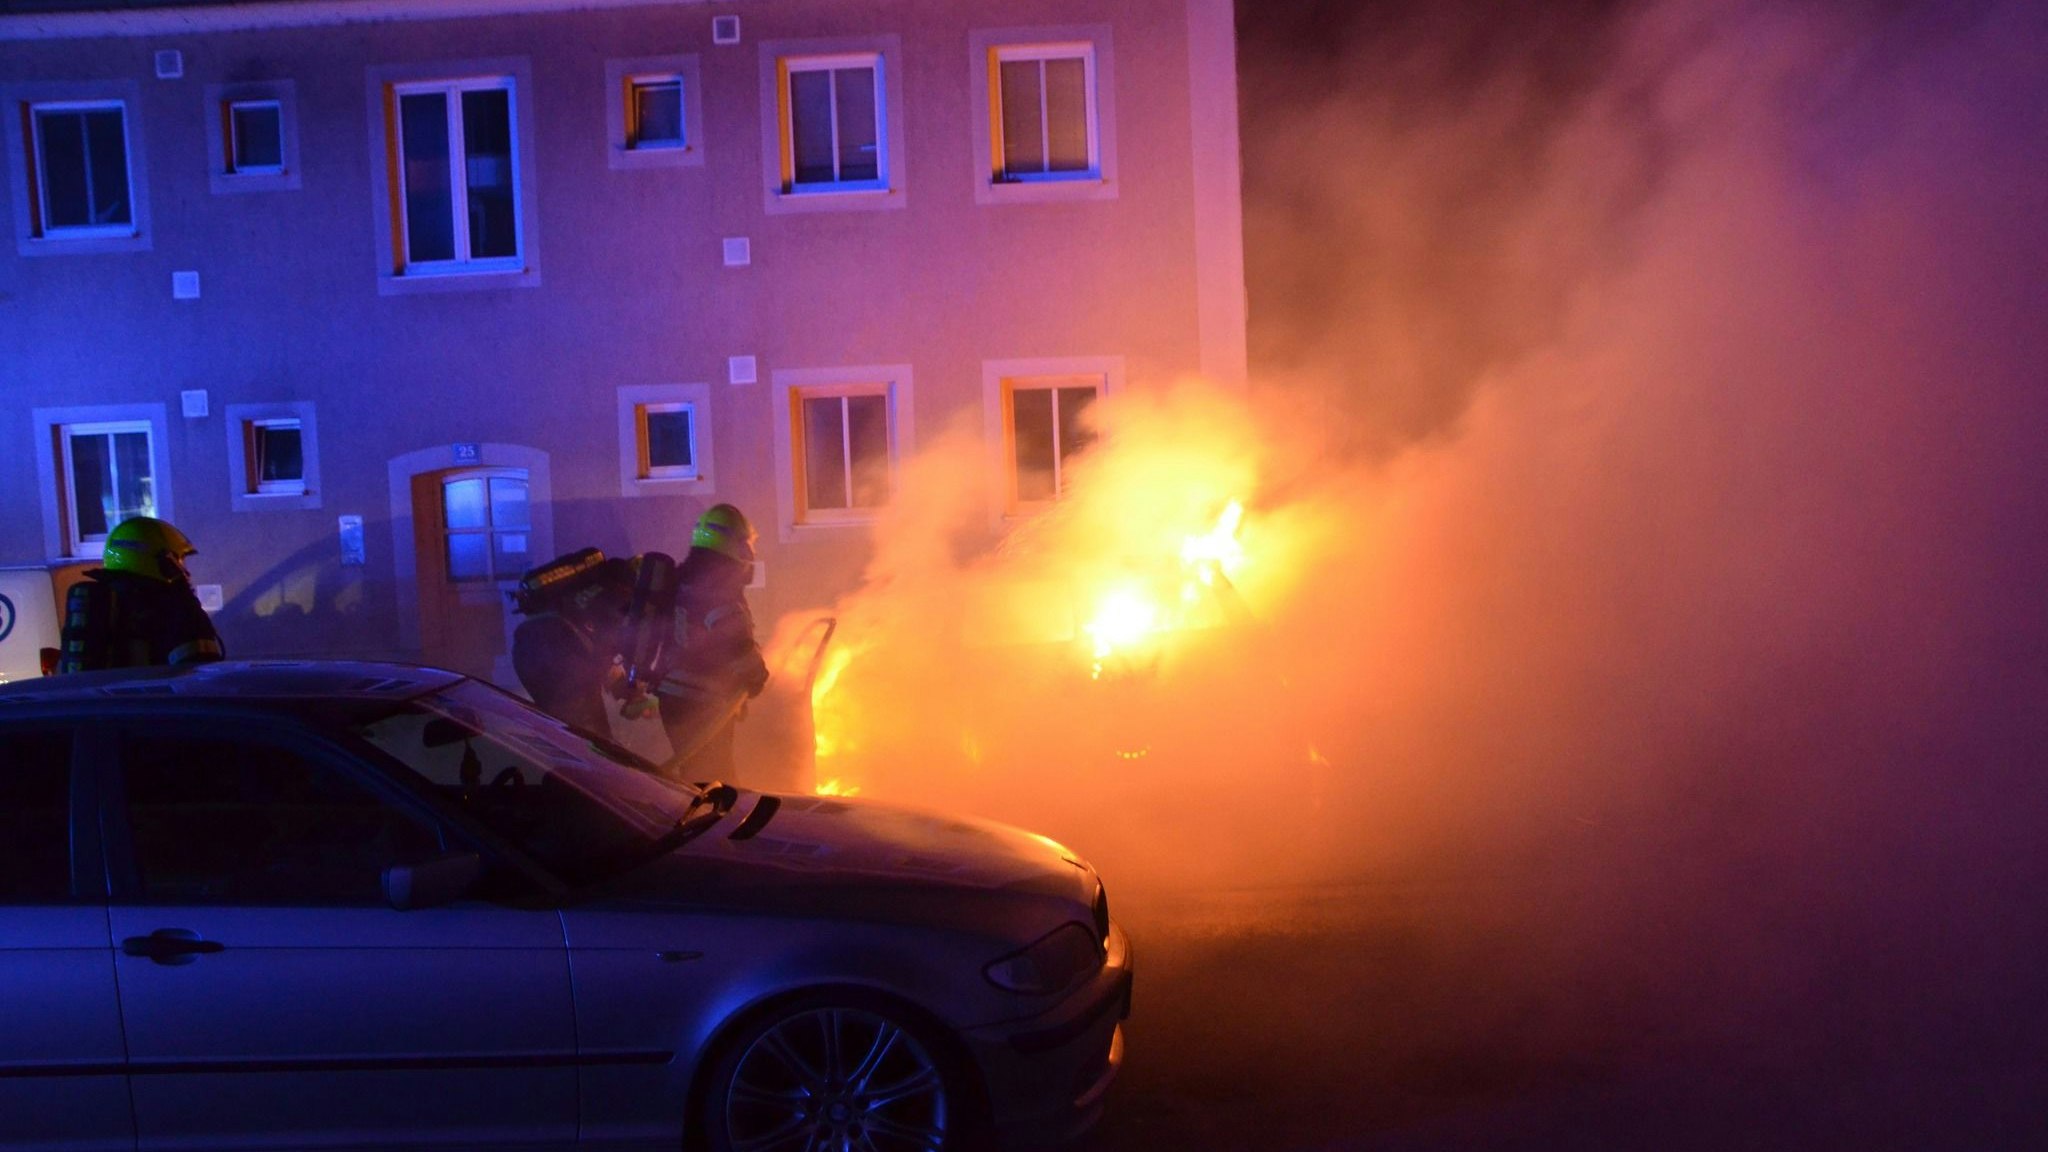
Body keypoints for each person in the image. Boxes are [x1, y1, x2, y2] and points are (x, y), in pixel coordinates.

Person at [647, 504, 769, 780]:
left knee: (697, 774)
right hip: (700, 702)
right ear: (738, 547)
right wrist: (757, 677)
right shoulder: (718, 588)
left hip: (673, 696)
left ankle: (697, 816)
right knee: (717, 781)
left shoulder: (683, 581)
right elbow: (736, 643)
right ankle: (712, 823)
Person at [57, 516, 225, 673]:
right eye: (180, 559)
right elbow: (202, 675)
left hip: (99, 704)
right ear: (167, 561)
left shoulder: (97, 601)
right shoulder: (178, 610)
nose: (184, 569)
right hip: (155, 704)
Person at [510, 549, 633, 734]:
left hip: (527, 650)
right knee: (587, 738)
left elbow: (598, 652)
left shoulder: (592, 590)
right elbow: (606, 652)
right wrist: (627, 690)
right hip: (556, 657)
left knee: (566, 729)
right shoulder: (616, 599)